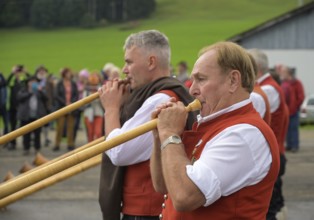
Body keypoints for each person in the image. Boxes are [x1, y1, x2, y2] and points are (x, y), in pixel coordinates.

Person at [150, 42, 280, 219]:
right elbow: (162, 185)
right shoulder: (213, 124)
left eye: (201, 79)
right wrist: (159, 138)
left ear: (233, 81)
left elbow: (184, 197)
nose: (192, 89)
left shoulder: (243, 134)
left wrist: (169, 135)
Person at [97, 30, 196, 220]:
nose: (124, 70)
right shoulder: (158, 94)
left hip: (146, 211)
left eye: (129, 62)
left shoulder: (160, 99)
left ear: (151, 62)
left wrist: (111, 109)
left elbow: (118, 152)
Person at [248, 49, 289, 220]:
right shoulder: (268, 87)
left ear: (254, 68)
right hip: (275, 151)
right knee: (273, 205)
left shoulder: (264, 90)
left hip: (273, 154)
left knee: (270, 209)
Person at [16, 75, 48, 155]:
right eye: (31, 82)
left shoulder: (39, 91)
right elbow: (19, 97)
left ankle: (37, 149)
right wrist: (30, 93)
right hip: (26, 116)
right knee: (26, 134)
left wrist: (40, 91)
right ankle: (26, 148)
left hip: (37, 116)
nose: (33, 83)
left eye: (35, 82)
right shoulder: (24, 90)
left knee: (37, 134)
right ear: (28, 83)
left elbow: (46, 98)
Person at [53, 67, 78, 152]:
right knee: (60, 127)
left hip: (71, 108)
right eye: (68, 73)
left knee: (71, 127)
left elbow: (76, 94)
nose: (69, 74)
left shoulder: (73, 83)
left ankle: (70, 144)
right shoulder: (59, 83)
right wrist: (65, 103)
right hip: (61, 107)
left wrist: (71, 103)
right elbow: (56, 95)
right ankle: (57, 144)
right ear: (64, 74)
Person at [6, 65, 30, 150]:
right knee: (12, 126)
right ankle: (13, 143)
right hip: (13, 107)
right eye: (17, 72)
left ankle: (26, 145)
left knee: (25, 126)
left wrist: (26, 72)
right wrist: (12, 73)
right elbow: (6, 83)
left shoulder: (23, 81)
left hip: (22, 107)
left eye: (19, 72)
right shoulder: (13, 82)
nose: (18, 73)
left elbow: (31, 80)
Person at [287, 67, 305, 152]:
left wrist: (296, 106)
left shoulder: (297, 83)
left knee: (293, 129)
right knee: (287, 129)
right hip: (287, 111)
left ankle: (294, 146)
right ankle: (289, 145)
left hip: (294, 111)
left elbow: (301, 97)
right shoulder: (286, 83)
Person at [83, 71, 103, 142]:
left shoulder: (101, 88)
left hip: (99, 112)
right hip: (88, 113)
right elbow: (84, 102)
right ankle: (90, 150)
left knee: (98, 132)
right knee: (90, 133)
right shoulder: (87, 90)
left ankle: (98, 150)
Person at [0, 72, 9, 138]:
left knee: (6, 123)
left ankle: (5, 137)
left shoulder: (1, 77)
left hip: (3, 105)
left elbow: (5, 83)